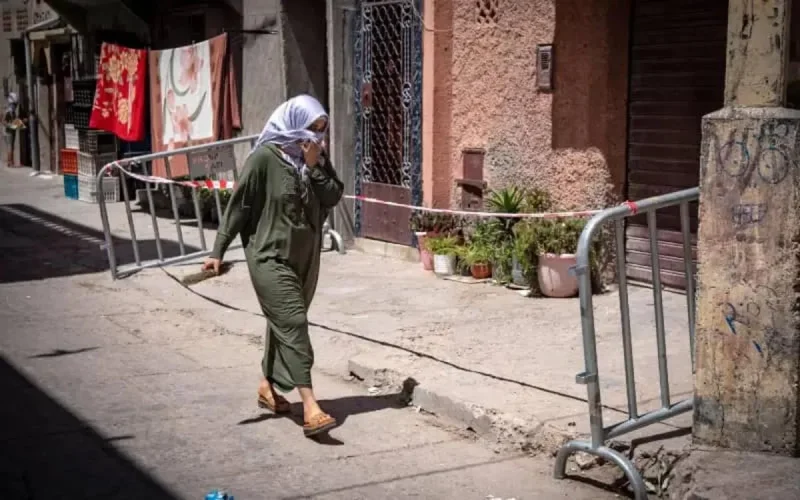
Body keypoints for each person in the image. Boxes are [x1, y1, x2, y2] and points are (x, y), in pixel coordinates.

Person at [202, 95, 344, 437]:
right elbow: (239, 206)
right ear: (293, 123)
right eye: (313, 129)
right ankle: (310, 407)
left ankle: (267, 385)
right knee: (293, 321)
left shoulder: (314, 158)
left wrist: (313, 166)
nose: (317, 138)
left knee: (282, 322)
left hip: (305, 258)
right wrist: (218, 250)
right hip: (269, 256)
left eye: (322, 131)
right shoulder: (265, 159)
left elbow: (333, 196)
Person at [4, 93, 19, 168]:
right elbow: (4, 122)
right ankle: (10, 162)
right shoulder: (8, 111)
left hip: (12, 131)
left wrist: (17, 124)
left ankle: (10, 162)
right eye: (14, 104)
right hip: (9, 132)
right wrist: (11, 126)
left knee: (11, 147)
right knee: (10, 147)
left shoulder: (13, 112)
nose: (15, 106)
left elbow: (14, 121)